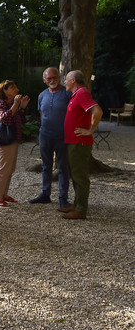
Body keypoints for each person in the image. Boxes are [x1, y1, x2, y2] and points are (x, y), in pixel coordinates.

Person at [61, 70, 103, 220]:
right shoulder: (76, 94)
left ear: (73, 80)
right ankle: (77, 204)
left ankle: (81, 210)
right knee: (75, 174)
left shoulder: (82, 93)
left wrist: (90, 130)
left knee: (80, 176)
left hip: (79, 143)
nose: (64, 81)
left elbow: (97, 111)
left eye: (66, 79)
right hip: (73, 142)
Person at [28, 67, 71, 209]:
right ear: (44, 80)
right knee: (46, 166)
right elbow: (42, 114)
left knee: (63, 168)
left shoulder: (67, 93)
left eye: (55, 77)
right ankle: (45, 194)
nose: (52, 80)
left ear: (59, 77)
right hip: (45, 136)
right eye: (49, 78)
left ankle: (63, 198)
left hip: (62, 136)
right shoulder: (41, 95)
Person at [0, 80, 30, 208]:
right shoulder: (1, 103)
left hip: (12, 140)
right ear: (5, 90)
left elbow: (20, 120)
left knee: (10, 169)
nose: (17, 90)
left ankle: (3, 194)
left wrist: (22, 107)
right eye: (13, 88)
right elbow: (5, 119)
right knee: (4, 169)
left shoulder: (10, 103)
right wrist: (16, 104)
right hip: (4, 141)